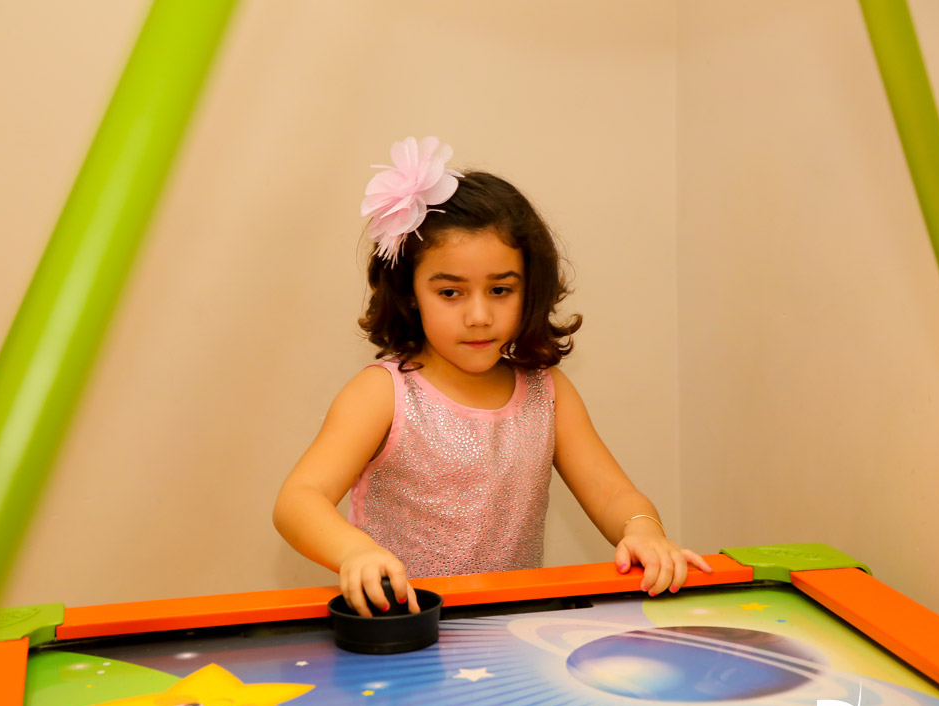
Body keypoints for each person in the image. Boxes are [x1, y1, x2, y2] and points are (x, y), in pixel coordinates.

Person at [274, 136, 710, 616]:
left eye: (500, 290)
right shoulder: (382, 393)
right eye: (451, 293)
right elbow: (299, 500)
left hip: (514, 630)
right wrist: (354, 551)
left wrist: (643, 529)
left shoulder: (548, 391)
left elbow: (611, 493)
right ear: (410, 293)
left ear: (530, 289)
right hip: (405, 628)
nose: (479, 316)